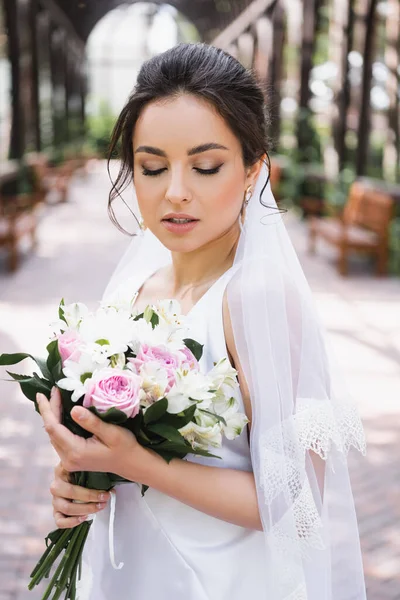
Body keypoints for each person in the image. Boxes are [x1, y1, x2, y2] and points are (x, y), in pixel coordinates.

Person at [38, 43, 367, 599]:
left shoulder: (257, 298)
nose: (175, 192)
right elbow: (117, 461)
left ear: (252, 169)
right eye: (152, 166)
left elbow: (295, 504)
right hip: (132, 573)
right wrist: (81, 477)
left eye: (206, 166)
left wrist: (138, 462)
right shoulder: (132, 289)